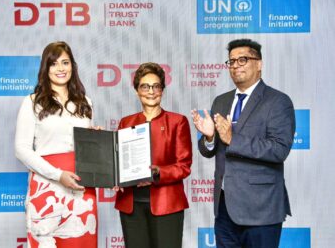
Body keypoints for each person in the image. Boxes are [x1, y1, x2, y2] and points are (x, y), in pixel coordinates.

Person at [192, 39, 295, 248]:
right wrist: (210, 138)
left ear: (259, 64)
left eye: (243, 59)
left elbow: (279, 150)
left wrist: (232, 139)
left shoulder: (278, 101)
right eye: (231, 62)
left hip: (261, 209)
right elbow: (209, 151)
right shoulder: (220, 101)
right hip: (225, 209)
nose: (236, 65)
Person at [15, 41, 97, 247]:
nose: (60, 68)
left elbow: (86, 147)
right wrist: (58, 175)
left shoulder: (85, 102)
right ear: (46, 68)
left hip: (81, 186)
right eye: (54, 64)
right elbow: (21, 149)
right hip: (47, 186)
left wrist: (95, 140)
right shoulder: (32, 102)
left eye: (65, 62)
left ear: (72, 66)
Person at [114, 62, 192, 248]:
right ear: (136, 91)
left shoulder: (177, 121)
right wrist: (113, 176)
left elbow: (184, 166)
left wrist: (157, 173)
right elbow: (118, 161)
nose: (151, 91)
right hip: (131, 204)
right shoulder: (126, 122)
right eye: (145, 86)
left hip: (167, 204)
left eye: (156, 86)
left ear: (162, 90)